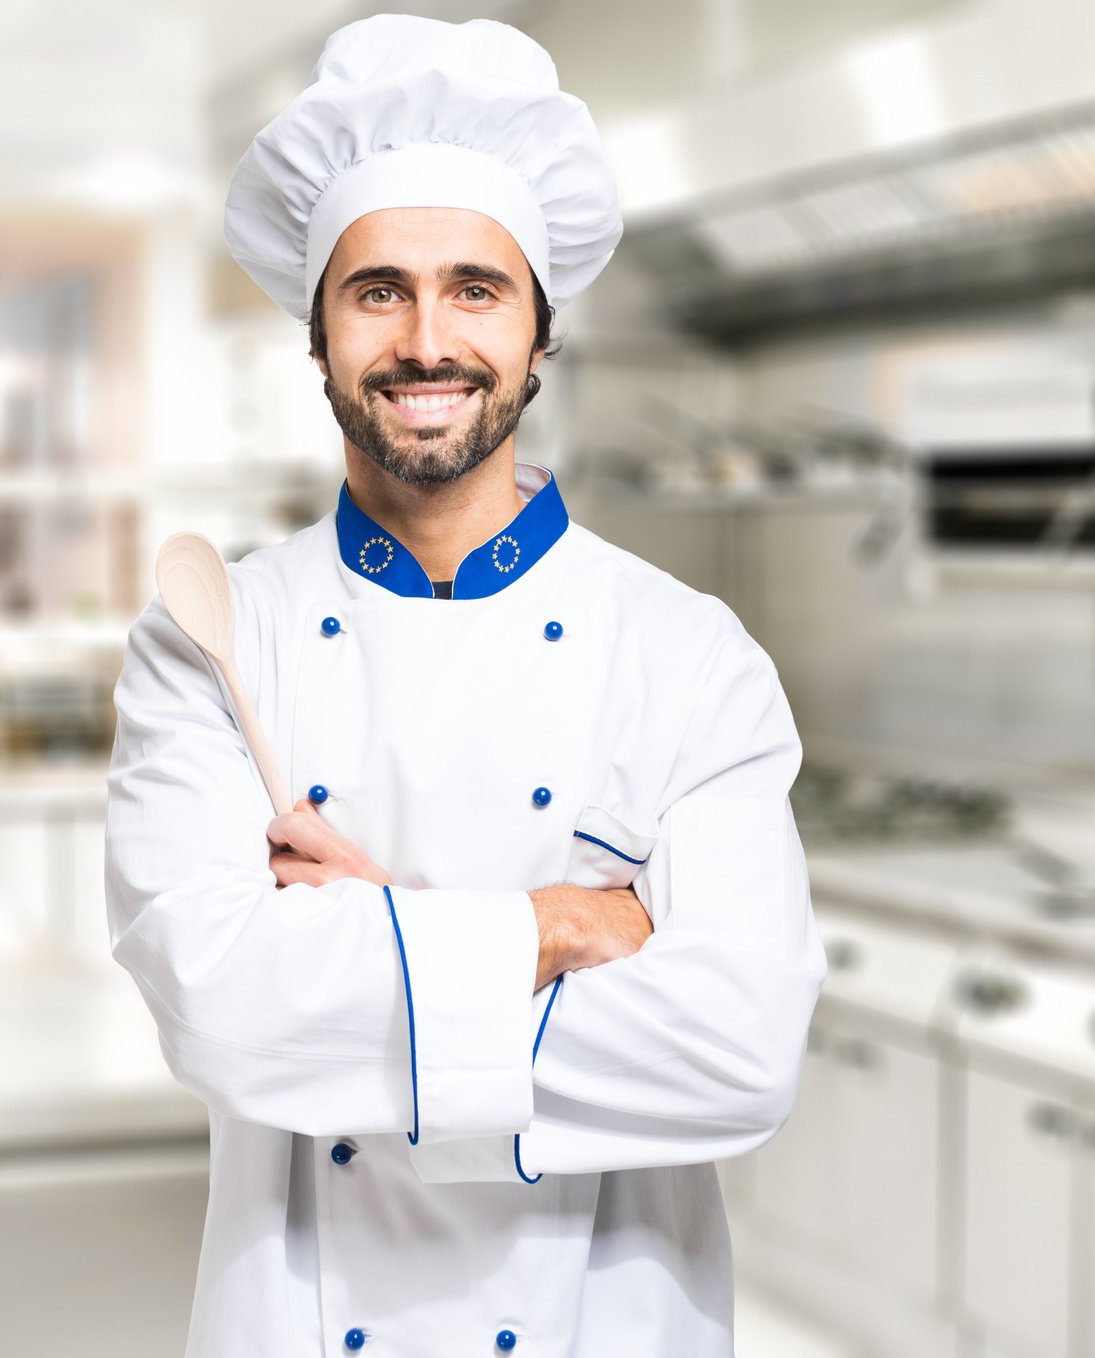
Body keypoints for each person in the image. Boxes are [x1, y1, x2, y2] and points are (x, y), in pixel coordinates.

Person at [103, 15, 826, 1357]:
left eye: (475, 289)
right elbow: (223, 1007)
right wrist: (566, 922)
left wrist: (375, 940)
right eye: (376, 289)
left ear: (540, 331)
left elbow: (738, 1051)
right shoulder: (211, 638)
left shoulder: (689, 655)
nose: (426, 340)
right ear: (316, 333)